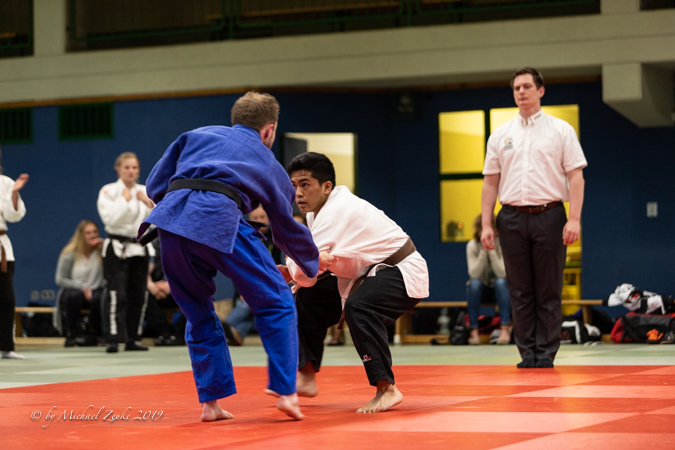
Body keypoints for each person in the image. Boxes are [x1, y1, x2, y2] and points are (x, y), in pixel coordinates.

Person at [138, 92, 320, 421]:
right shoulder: (267, 160)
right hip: (218, 217)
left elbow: (154, 185)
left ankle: (211, 403)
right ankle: (286, 392)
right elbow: (284, 226)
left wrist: (184, 208)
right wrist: (310, 265)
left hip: (170, 223)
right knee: (277, 301)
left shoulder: (196, 135)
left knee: (198, 313)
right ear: (269, 130)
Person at [278, 152, 429, 413]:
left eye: (305, 184)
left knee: (359, 306)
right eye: (294, 186)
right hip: (362, 275)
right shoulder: (316, 213)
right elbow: (310, 268)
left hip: (400, 270)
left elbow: (306, 269)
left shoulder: (335, 210)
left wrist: (297, 269)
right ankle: (307, 373)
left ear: (326, 186)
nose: (298, 193)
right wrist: (302, 268)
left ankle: (387, 388)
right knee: (306, 298)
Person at [481, 67, 587, 369]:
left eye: (527, 86)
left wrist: (574, 219)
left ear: (540, 91)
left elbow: (576, 177)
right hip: (511, 217)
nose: (521, 92)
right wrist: (486, 224)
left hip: (550, 215)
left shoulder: (561, 130)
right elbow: (490, 182)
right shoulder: (501, 134)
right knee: (519, 289)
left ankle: (546, 353)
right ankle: (527, 353)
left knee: (548, 288)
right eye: (517, 88)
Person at [97, 152, 155, 353]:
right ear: (118, 169)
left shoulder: (144, 191)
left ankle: (132, 337)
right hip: (116, 247)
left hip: (139, 247)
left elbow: (157, 220)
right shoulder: (109, 191)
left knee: (138, 294)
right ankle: (113, 337)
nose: (131, 171)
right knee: (117, 294)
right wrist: (125, 200)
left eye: (134, 168)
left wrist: (148, 203)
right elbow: (110, 220)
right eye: (127, 167)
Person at [221, 205, 283, 346]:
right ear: (249, 220)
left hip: (269, 287)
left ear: (268, 219)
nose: (259, 220)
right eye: (255, 217)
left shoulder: (276, 238)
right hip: (246, 287)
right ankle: (234, 334)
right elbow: (238, 270)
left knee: (249, 306)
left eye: (262, 217)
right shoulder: (243, 239)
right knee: (248, 305)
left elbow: (276, 268)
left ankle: (221, 330)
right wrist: (244, 290)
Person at [55, 220, 105, 347]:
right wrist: (82, 288)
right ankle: (71, 333)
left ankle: (95, 333)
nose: (92, 235)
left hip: (96, 290)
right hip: (76, 290)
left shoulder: (102, 251)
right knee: (73, 296)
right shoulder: (69, 254)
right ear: (81, 235)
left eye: (95, 232)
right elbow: (60, 279)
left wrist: (106, 249)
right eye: (88, 233)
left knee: (100, 297)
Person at [466, 214, 510, 345]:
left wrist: (491, 250)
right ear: (479, 231)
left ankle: (505, 329)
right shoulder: (472, 245)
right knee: (474, 284)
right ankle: (474, 331)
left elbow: (502, 273)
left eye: (492, 228)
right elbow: (474, 274)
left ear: (496, 230)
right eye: (483, 229)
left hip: (501, 291)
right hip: (482, 291)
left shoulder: (503, 243)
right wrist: (483, 252)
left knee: (501, 282)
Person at [0, 148, 28, 360]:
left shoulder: (6, 182)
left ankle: (5, 346)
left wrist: (14, 193)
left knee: (6, 298)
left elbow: (14, 215)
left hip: (2, 247)